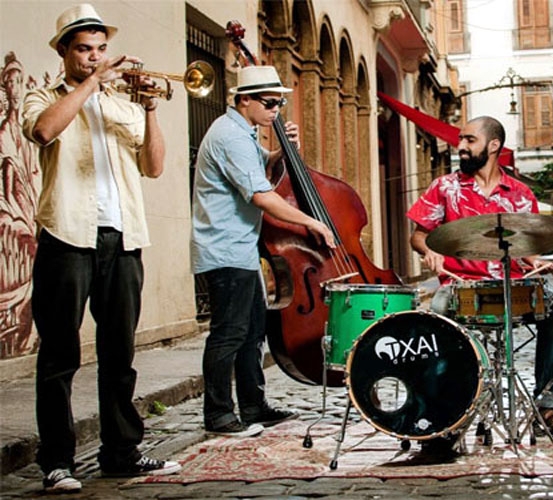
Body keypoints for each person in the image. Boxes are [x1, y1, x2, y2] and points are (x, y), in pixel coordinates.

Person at [21, 3, 182, 493]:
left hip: (123, 237)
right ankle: (57, 463)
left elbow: (153, 167)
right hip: (67, 236)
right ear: (65, 53)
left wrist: (151, 109)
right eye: (85, 50)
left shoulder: (122, 105)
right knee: (59, 356)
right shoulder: (42, 96)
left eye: (101, 49)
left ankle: (121, 452)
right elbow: (44, 131)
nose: (95, 58)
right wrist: (92, 84)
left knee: (120, 353)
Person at [407, 116, 553, 453]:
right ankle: (446, 411)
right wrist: (429, 252)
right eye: (461, 140)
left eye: (469, 139)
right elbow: (419, 234)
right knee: (438, 311)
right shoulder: (445, 187)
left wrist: (536, 261)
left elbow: (525, 249)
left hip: (511, 289)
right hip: (459, 286)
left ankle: (547, 404)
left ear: (493, 145)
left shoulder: (521, 195)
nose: (461, 146)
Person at [191, 65, 335, 438]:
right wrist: (312, 222)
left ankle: (254, 406)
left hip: (241, 248)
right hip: (225, 249)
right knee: (229, 333)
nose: (275, 109)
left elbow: (263, 166)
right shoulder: (230, 136)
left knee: (252, 330)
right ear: (244, 100)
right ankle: (219, 415)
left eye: (279, 102)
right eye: (269, 103)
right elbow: (260, 195)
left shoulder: (244, 132)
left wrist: (284, 150)